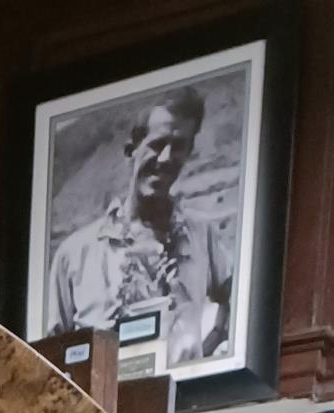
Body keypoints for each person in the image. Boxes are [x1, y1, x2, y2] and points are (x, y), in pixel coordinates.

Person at [48, 85, 232, 366]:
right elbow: (51, 355)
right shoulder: (75, 253)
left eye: (179, 146)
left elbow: (241, 303)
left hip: (179, 403)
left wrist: (214, 347)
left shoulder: (202, 235)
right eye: (157, 144)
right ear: (132, 149)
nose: (166, 158)